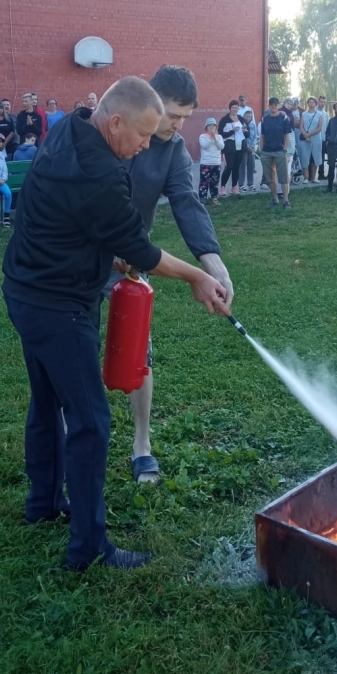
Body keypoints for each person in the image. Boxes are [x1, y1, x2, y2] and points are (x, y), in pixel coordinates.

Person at [2, 76, 230, 572]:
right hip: (57, 305)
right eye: (143, 137)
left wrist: (110, 251)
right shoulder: (97, 172)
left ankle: (43, 505)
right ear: (115, 122)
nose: (146, 147)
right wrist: (196, 275)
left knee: (46, 403)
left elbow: (88, 227)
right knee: (91, 420)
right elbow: (142, 249)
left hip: (24, 289)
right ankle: (87, 549)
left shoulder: (70, 128)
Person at [107, 66, 233, 484]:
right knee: (79, 347)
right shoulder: (114, 131)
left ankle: (141, 444)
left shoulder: (174, 149)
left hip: (133, 260)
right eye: (175, 115)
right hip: (85, 258)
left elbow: (187, 202)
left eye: (186, 117)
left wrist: (214, 263)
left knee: (140, 349)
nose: (180, 126)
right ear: (152, 101)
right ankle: (75, 435)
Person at [259, 97, 292, 209]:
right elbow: (262, 135)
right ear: (269, 106)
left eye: (275, 104)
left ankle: (286, 200)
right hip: (267, 152)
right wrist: (261, 150)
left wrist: (285, 149)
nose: (273, 106)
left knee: (283, 178)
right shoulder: (265, 119)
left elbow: (287, 135)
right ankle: (275, 199)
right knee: (270, 178)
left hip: (279, 151)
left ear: (278, 106)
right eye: (271, 104)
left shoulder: (283, 119)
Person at [218, 100, 245, 196]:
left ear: (238, 108)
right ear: (230, 108)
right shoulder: (224, 119)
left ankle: (234, 187)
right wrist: (232, 131)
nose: (235, 109)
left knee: (236, 167)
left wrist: (245, 131)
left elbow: (247, 133)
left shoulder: (241, 119)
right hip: (229, 146)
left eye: (236, 107)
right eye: (233, 107)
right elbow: (220, 133)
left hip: (240, 145)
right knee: (229, 167)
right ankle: (223, 187)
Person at [198, 117, 224, 205]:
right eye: (209, 126)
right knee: (204, 183)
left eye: (214, 126)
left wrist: (215, 138)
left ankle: (214, 198)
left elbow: (221, 146)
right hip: (206, 163)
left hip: (216, 163)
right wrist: (211, 138)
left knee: (215, 183)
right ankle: (202, 200)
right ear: (206, 128)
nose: (212, 128)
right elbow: (204, 145)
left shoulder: (219, 137)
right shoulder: (202, 136)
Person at [299, 97, 324, 182]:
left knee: (315, 158)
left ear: (316, 104)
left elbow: (320, 127)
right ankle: (306, 177)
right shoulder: (304, 114)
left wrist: (309, 134)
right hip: (305, 139)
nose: (311, 104)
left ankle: (313, 178)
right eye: (310, 102)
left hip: (316, 139)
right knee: (305, 157)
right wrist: (305, 135)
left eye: (313, 102)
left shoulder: (319, 114)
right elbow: (301, 126)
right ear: (307, 104)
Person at [238, 109, 258, 192]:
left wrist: (252, 146)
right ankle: (241, 184)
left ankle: (250, 183)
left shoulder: (253, 125)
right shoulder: (242, 125)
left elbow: (255, 136)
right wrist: (247, 147)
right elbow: (241, 137)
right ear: (244, 116)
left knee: (251, 166)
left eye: (250, 117)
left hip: (251, 148)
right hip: (244, 148)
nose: (248, 118)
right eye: (247, 116)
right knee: (242, 166)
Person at [316, 96, 329, 179]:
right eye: (321, 101)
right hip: (316, 138)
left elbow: (327, 127)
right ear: (318, 101)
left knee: (322, 157)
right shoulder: (314, 112)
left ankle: (321, 174)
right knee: (314, 158)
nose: (323, 103)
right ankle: (311, 175)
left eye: (324, 102)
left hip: (324, 139)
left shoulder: (326, 114)